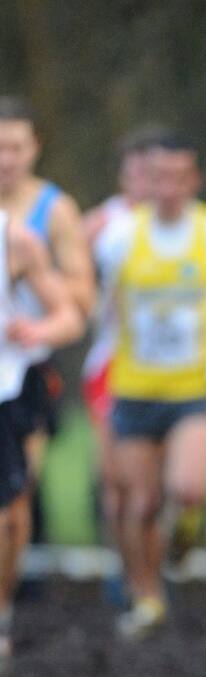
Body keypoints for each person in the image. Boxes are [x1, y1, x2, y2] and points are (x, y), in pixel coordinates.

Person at [96, 133, 206, 638]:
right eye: (158, 177)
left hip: (194, 388)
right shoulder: (118, 237)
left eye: (179, 177)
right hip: (133, 388)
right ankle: (147, 595)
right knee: (140, 503)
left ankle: (187, 535)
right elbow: (101, 304)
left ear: (194, 180)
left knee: (188, 489)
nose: (168, 187)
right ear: (143, 180)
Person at [0, 96, 94, 543]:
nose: (6, 159)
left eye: (15, 147)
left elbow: (82, 298)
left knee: (17, 494)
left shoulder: (54, 210)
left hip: (30, 364)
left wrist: (26, 271)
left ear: (34, 148)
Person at [82, 126, 166, 593]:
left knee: (163, 486)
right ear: (124, 177)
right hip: (112, 365)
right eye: (139, 173)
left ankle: (154, 571)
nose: (149, 184)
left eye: (157, 174)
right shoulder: (99, 226)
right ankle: (131, 576)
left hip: (173, 373)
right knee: (118, 485)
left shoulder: (187, 225)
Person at [0, 211, 84, 675]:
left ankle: (2, 611)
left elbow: (68, 315)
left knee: (11, 515)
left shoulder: (17, 241)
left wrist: (39, 332)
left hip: (8, 391)